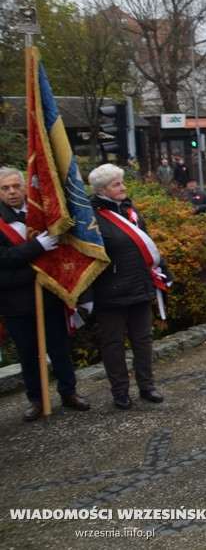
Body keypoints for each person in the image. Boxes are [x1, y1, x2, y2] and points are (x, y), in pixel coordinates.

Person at [0, 167, 90, 421]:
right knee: (28, 354)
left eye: (16, 186)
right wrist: (36, 247)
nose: (12, 192)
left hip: (49, 297)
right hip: (17, 303)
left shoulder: (38, 215)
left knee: (59, 347)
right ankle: (37, 399)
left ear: (24, 187)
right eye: (5, 188)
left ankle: (68, 392)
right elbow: (5, 259)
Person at [87, 164, 173, 409]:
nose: (123, 187)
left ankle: (147, 386)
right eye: (117, 184)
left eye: (122, 182)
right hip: (110, 291)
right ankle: (120, 392)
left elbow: (148, 246)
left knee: (143, 340)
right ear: (102, 190)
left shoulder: (131, 212)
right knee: (113, 344)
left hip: (140, 285)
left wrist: (164, 271)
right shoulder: (92, 217)